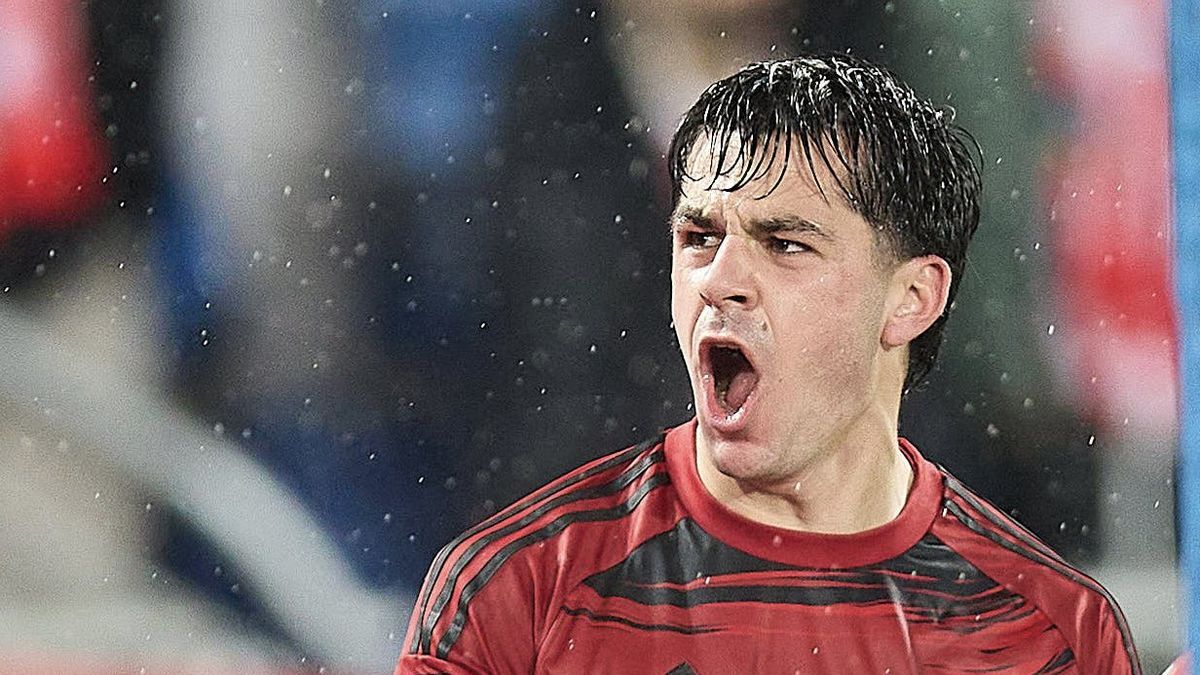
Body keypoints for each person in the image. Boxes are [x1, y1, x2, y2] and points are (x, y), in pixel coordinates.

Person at [395, 54, 1141, 675]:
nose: (719, 278)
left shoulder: (1053, 633)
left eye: (785, 244)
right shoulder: (517, 593)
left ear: (912, 299)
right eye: (699, 237)